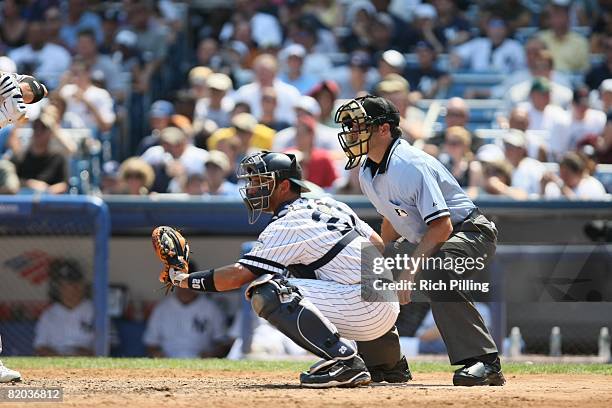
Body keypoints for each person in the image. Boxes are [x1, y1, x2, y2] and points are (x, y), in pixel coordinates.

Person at [157, 151, 409, 388]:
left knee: (269, 291)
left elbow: (236, 277)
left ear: (284, 186)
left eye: (260, 182)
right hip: (384, 303)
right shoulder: (330, 203)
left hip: (364, 308)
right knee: (301, 273)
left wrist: (183, 279)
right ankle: (387, 364)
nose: (252, 189)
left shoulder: (287, 223)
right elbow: (377, 244)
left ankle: (345, 362)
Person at [334, 95, 504, 386]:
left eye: (359, 126)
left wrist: (408, 273)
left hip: (471, 232)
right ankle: (386, 364)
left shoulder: (410, 163)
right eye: (349, 127)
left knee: (436, 269)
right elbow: (392, 219)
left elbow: (441, 227)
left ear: (384, 129)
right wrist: (380, 260)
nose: (351, 133)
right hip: (426, 238)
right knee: (367, 268)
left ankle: (485, 362)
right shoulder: (366, 171)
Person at [143, 287, 229, 358]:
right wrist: (158, 355)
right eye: (181, 281)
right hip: (168, 360)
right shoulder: (162, 308)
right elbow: (151, 343)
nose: (184, 286)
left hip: (200, 361)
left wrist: (212, 354)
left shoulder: (211, 307)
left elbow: (223, 343)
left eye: (188, 281)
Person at [34, 259, 95, 356]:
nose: (74, 288)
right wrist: (59, 359)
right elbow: (40, 347)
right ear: (58, 287)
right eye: (68, 284)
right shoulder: (48, 315)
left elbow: (110, 345)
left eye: (77, 283)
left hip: (87, 366)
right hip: (55, 366)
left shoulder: (96, 311)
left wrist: (85, 354)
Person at [451, 17, 525, 74]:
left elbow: (521, 68)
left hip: (504, 84)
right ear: (488, 30)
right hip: (476, 82)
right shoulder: (478, 43)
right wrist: (457, 59)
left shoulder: (515, 46)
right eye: (494, 29)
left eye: (500, 29)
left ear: (506, 30)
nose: (497, 32)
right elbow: (457, 53)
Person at [538, 0, 590, 72]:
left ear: (568, 17)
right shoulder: (540, 39)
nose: (558, 19)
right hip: (546, 79)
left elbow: (584, 71)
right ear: (550, 18)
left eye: (561, 15)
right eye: (555, 15)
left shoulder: (580, 42)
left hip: (570, 81)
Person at [542, 152, 607, 199]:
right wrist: (543, 185)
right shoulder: (555, 187)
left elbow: (579, 207)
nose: (562, 177)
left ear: (579, 173)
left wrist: (560, 184)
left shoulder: (592, 185)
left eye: (566, 174)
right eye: (561, 174)